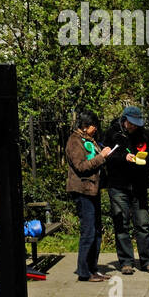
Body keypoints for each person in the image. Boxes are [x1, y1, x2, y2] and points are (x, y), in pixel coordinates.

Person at [103, 105, 149, 274]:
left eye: (137, 124)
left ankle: (147, 261)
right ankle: (126, 262)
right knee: (122, 224)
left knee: (143, 224)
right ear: (124, 120)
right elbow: (106, 156)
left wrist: (145, 159)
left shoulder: (144, 134)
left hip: (139, 186)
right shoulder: (112, 133)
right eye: (132, 123)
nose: (134, 126)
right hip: (118, 186)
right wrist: (123, 157)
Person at [65, 111, 112, 282]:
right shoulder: (74, 141)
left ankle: (93, 268)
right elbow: (81, 167)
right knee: (88, 231)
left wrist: (105, 154)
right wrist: (101, 157)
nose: (95, 129)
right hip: (82, 190)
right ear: (85, 126)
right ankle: (84, 271)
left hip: (93, 189)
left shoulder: (88, 140)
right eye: (93, 126)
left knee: (96, 231)